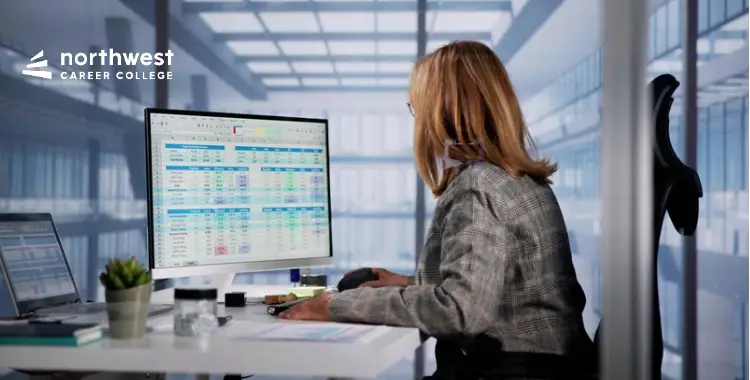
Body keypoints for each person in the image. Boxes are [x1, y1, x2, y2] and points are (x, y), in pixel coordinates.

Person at [279, 40, 593, 379]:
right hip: (550, 365)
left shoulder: (478, 187)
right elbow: (494, 285)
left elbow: (462, 311)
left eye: (416, 109)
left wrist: (335, 305)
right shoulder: (519, 180)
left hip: (506, 370)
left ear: (443, 114)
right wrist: (407, 283)